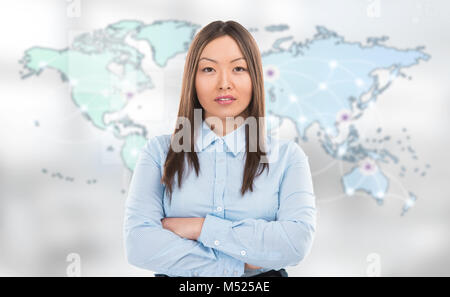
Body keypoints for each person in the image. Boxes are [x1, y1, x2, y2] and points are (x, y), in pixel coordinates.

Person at [123, 20, 316, 277]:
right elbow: (140, 246)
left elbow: (294, 244)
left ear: (254, 77)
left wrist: (199, 229)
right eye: (208, 69)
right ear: (193, 78)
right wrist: (239, 262)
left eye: (238, 68)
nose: (224, 83)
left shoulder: (287, 158)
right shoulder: (159, 153)